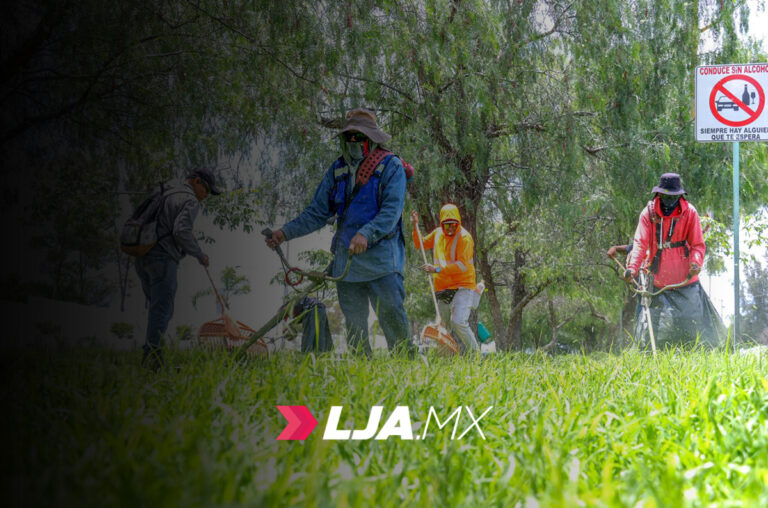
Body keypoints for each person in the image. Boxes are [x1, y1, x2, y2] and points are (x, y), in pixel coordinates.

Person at [265, 108, 411, 355]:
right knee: (355, 327)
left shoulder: (392, 166)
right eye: (349, 136)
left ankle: (409, 371)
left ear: (372, 138)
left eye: (359, 137)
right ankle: (362, 377)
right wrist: (285, 233)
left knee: (392, 318)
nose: (354, 141)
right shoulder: (337, 170)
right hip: (348, 265)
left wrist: (366, 233)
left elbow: (391, 212)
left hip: (383, 263)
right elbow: (316, 212)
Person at [624, 173, 725, 349]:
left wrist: (696, 263)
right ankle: (650, 359)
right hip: (656, 281)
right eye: (666, 196)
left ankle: (694, 358)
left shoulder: (690, 213)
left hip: (685, 280)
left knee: (691, 325)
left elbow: (698, 245)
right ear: (659, 195)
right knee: (652, 329)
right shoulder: (648, 214)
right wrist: (632, 269)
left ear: (679, 195)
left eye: (673, 196)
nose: (669, 200)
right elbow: (640, 243)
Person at [136, 168, 221, 369]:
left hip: (142, 256)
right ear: (197, 182)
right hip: (163, 258)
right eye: (207, 190)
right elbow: (181, 231)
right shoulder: (190, 200)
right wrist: (200, 254)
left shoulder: (165, 192)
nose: (206, 196)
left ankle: (153, 356)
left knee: (157, 309)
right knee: (162, 310)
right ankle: (153, 363)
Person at [410, 204, 481, 353]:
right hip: (443, 287)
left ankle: (476, 357)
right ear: (442, 223)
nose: (450, 228)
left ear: (458, 223)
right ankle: (445, 360)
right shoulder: (437, 234)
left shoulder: (465, 238)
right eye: (446, 225)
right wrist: (415, 226)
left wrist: (436, 269)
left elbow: (461, 266)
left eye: (453, 225)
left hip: (463, 285)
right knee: (441, 327)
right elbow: (420, 244)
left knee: (458, 321)